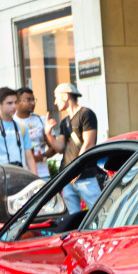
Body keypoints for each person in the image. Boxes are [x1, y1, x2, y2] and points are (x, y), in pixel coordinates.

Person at [45, 82, 100, 210]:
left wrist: (76, 168)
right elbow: (59, 148)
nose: (55, 102)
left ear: (65, 97)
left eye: (56, 97)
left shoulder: (86, 114)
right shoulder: (65, 122)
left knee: (98, 214)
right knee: (73, 219)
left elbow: (89, 143)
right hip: (67, 177)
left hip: (86, 175)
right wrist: (48, 134)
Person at [0, 87, 34, 171]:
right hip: (1, 177)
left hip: (21, 175)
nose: (14, 106)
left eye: (16, 102)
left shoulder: (22, 127)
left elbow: (29, 157)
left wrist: (36, 179)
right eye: (9, 103)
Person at [15, 86, 51, 177]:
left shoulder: (41, 120)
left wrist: (42, 157)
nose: (32, 103)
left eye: (33, 100)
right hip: (21, 174)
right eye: (28, 100)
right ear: (18, 102)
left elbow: (54, 148)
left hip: (42, 174)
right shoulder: (12, 123)